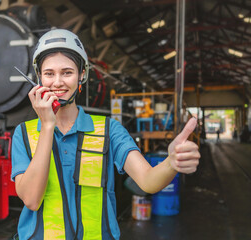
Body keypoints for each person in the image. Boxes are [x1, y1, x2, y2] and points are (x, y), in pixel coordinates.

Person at [11, 29, 200, 240]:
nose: (57, 82)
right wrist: (47, 126)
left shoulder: (110, 130)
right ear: (39, 77)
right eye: (49, 74)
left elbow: (147, 181)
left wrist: (172, 163)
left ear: (82, 75)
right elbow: (31, 199)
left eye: (67, 72)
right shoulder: (24, 134)